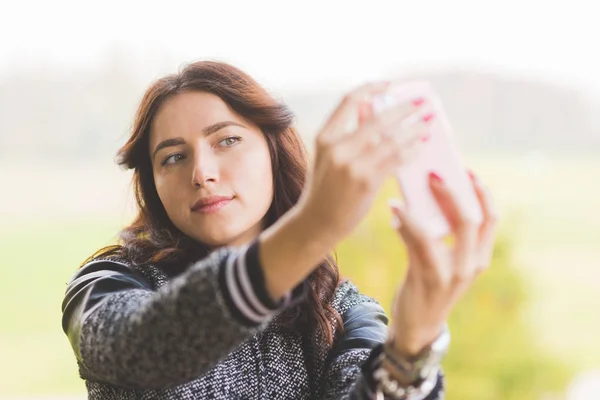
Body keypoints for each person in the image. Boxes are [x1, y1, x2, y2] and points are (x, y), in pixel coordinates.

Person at [61, 61, 497, 399]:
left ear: (273, 150)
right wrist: (312, 227)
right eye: (173, 157)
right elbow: (149, 348)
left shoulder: (341, 310)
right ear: (152, 184)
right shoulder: (108, 283)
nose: (201, 172)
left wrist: (412, 347)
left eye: (227, 140)